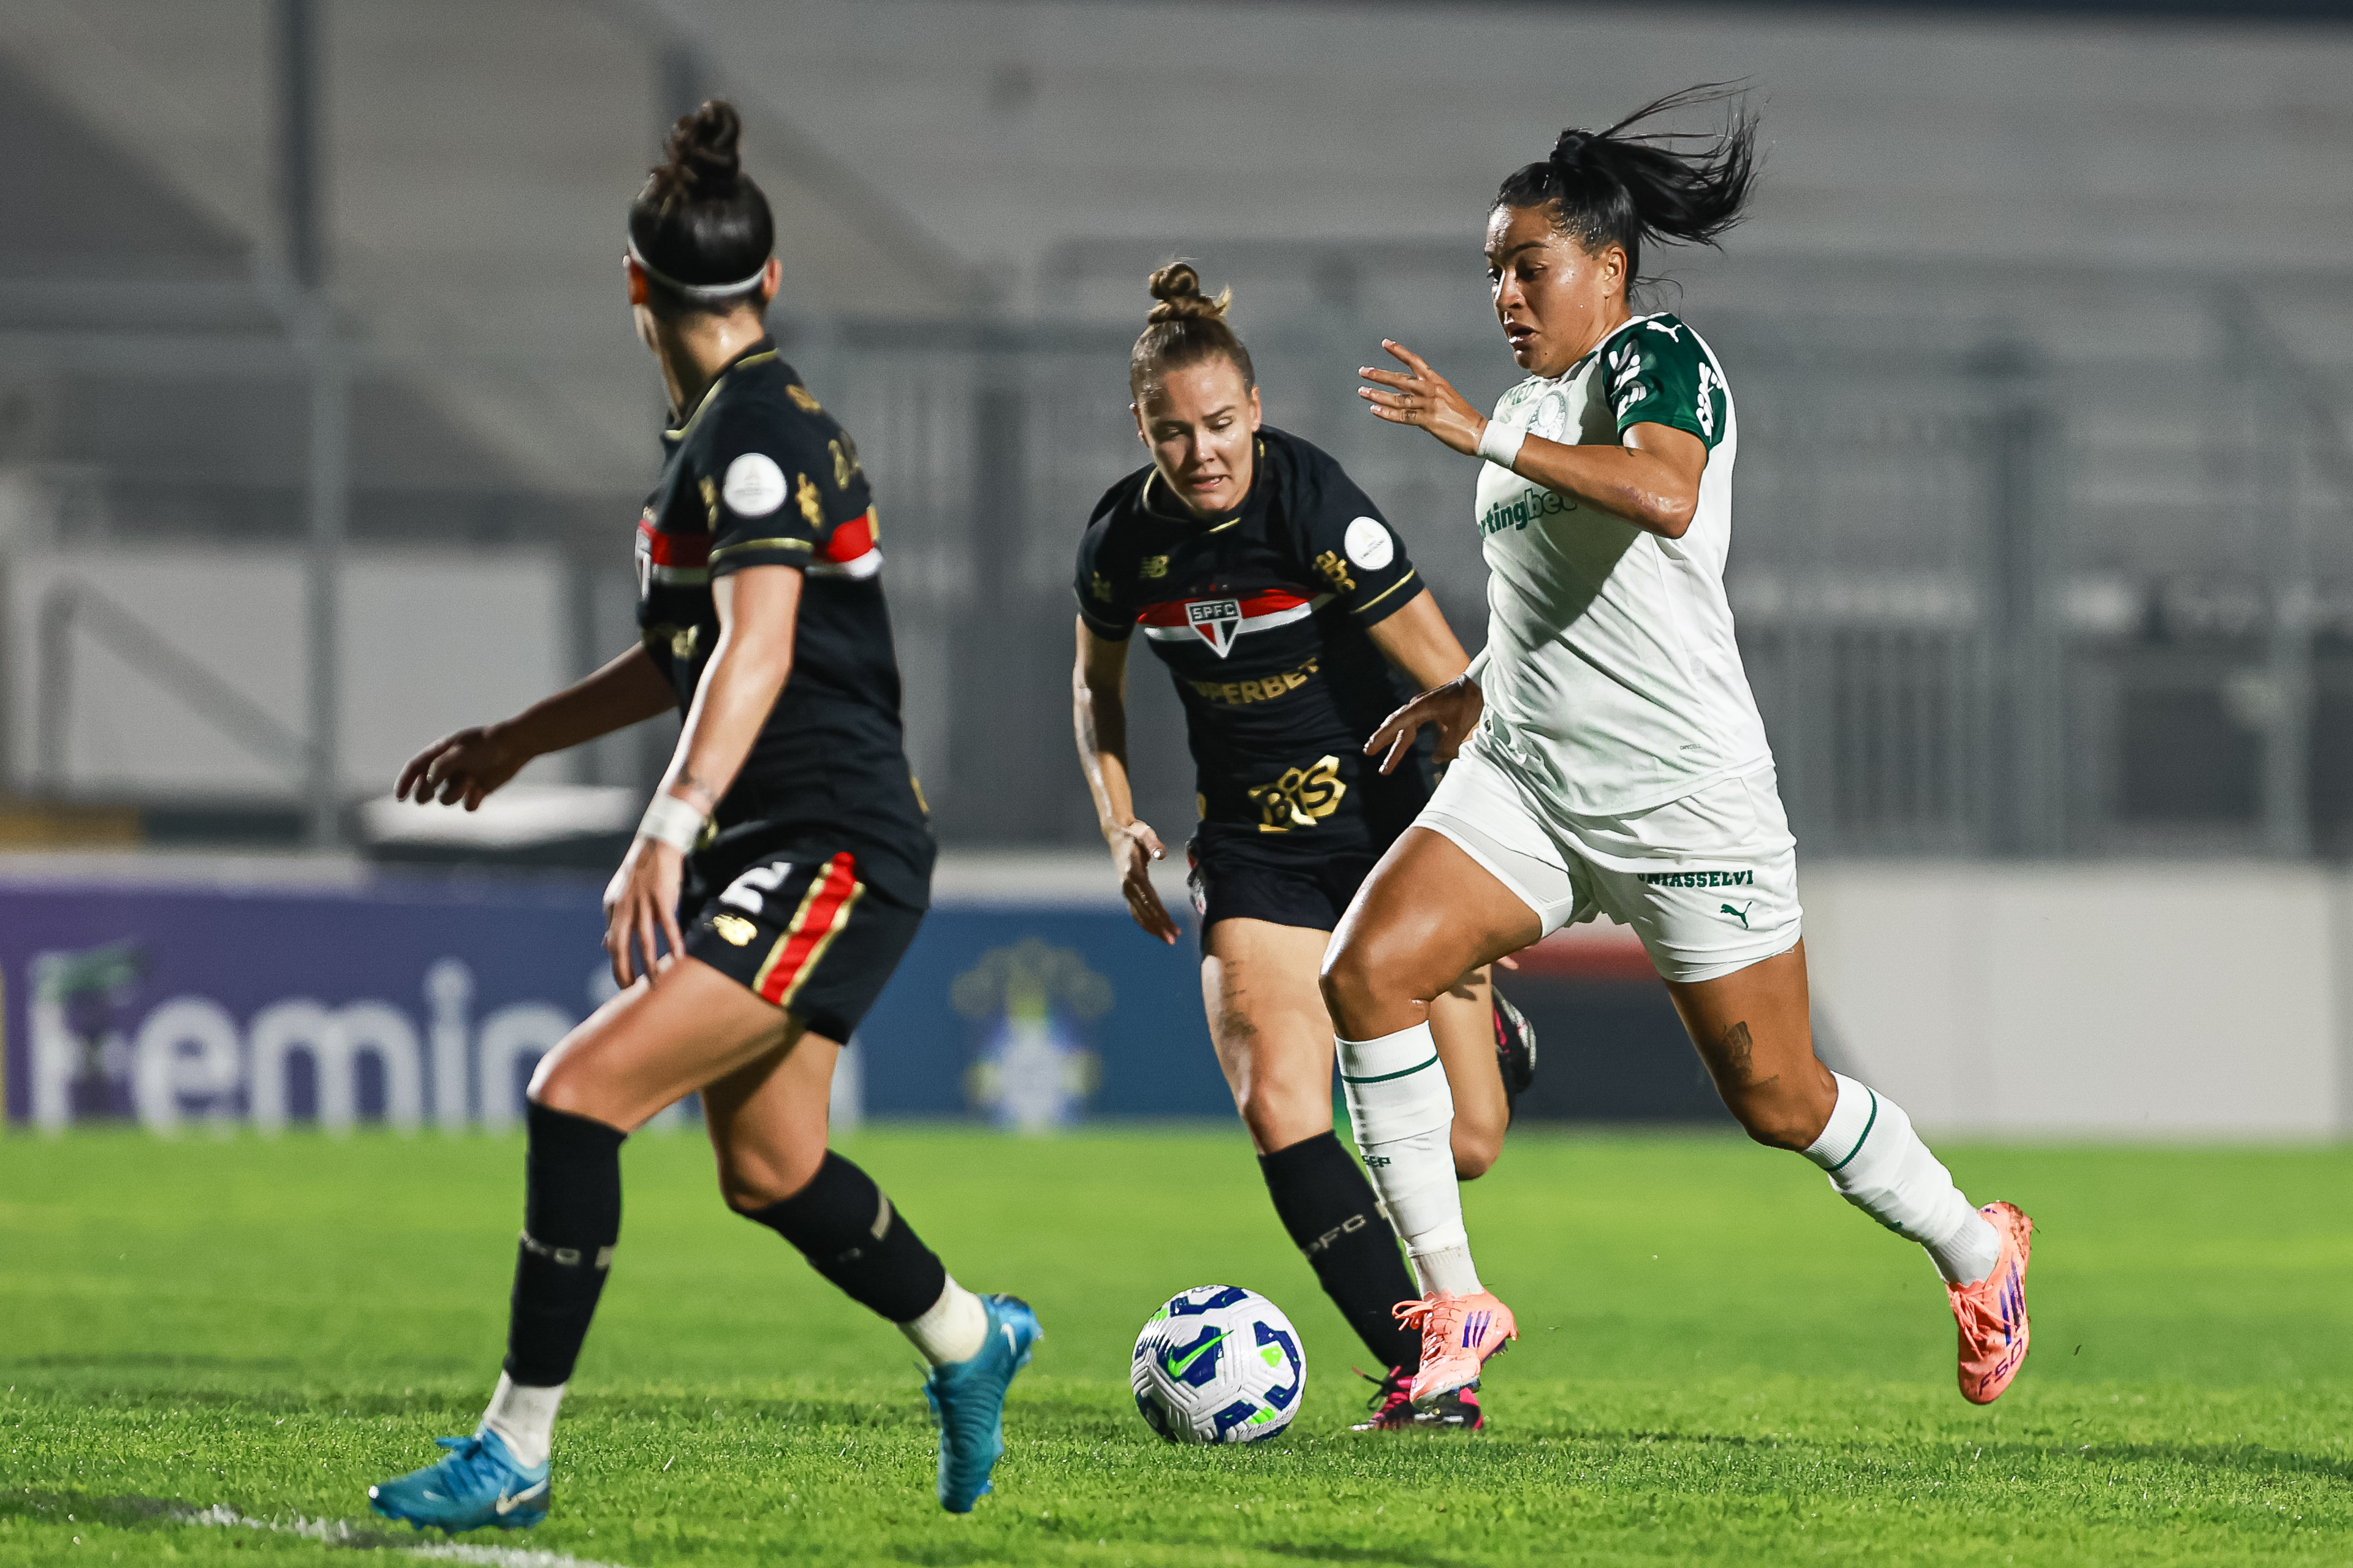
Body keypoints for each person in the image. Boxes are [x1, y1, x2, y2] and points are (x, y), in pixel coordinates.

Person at [365, 102, 1037, 1531]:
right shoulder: (715, 437)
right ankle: (975, 1340)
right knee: (772, 1165)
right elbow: (689, 649)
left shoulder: (756, 437)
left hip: (833, 842)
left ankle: (516, 1449)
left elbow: (759, 645)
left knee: (574, 1094)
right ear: (771, 280)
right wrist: (521, 739)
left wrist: (665, 822)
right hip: (794, 840)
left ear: (633, 286)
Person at [1331, 85, 2034, 1412]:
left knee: (1781, 1098)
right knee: (1365, 972)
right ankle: (1454, 1314)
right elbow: (1567, 602)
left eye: (1527, 267)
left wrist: (1485, 430)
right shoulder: (1525, 414)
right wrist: (1473, 688)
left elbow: (1662, 495)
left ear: (1607, 264)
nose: (1506, 298)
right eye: (1493, 273)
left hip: (1682, 804)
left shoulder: (1654, 361)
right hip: (1530, 781)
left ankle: (1979, 1246)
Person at [1071, 263, 1538, 1433]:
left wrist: (1494, 848)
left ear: (1256, 411)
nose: (1202, 453)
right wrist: (1119, 812)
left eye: (1221, 425)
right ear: (1143, 431)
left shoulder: (1315, 506)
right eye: (1173, 433)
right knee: (1281, 1101)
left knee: (1467, 1146)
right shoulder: (1124, 543)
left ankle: (1489, 1038)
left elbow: (1455, 682)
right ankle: (1425, 1370)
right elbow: (1096, 691)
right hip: (1255, 853)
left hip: (1388, 836)